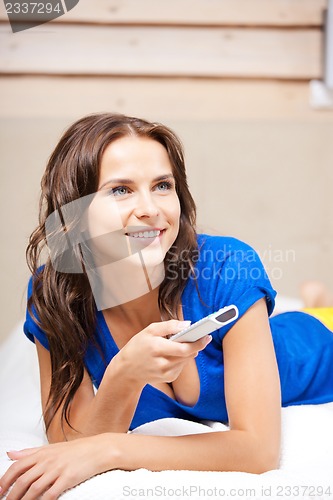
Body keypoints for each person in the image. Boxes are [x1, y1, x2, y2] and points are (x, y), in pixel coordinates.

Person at [1, 113, 332, 499]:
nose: (151, 209)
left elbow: (258, 451)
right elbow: (67, 443)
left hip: (310, 349)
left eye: (162, 185)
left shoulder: (226, 264)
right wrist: (123, 375)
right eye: (121, 190)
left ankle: (319, 304)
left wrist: (114, 448)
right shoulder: (55, 294)